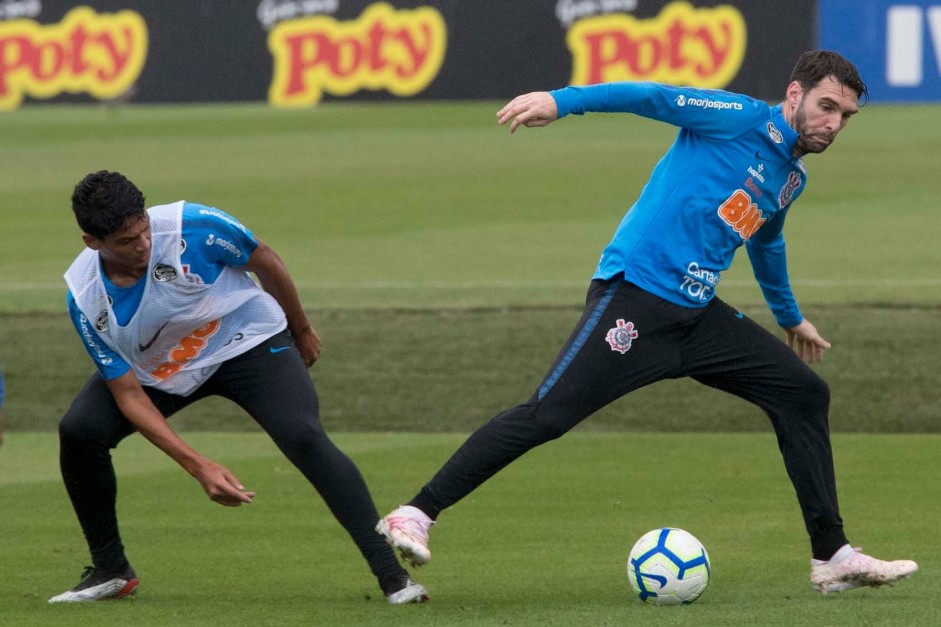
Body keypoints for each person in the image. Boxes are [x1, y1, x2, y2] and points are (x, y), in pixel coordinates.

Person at [377, 51, 918, 594]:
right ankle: (415, 513)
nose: (833, 123)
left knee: (803, 393)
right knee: (547, 416)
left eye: (845, 116)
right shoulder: (736, 115)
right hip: (634, 296)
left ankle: (833, 556)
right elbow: (652, 96)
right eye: (826, 106)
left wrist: (789, 316)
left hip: (696, 318)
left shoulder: (790, 177)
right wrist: (561, 102)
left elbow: (767, 242)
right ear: (795, 94)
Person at [50, 171, 428, 605]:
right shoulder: (85, 299)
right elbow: (129, 394)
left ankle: (394, 578)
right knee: (80, 431)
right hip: (163, 369)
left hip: (246, 340)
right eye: (126, 241)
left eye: (144, 230)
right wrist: (198, 465)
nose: (143, 245)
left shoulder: (194, 226)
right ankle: (111, 570)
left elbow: (265, 260)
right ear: (92, 242)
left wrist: (301, 330)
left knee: (304, 436)